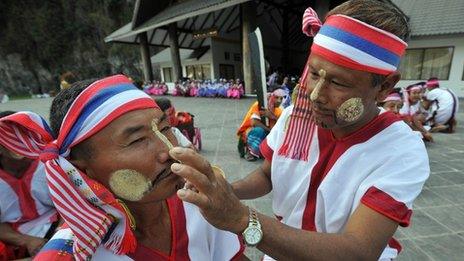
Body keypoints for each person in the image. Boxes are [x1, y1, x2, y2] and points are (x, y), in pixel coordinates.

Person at [168, 1, 429, 260]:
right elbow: (268, 175)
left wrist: (242, 219)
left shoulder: (402, 151)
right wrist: (224, 190)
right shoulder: (296, 117)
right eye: (313, 74)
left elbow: (357, 251)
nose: (315, 95)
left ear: (384, 87)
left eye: (338, 82)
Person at [34, 75, 244, 260]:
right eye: (137, 140)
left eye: (165, 128)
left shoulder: (197, 204)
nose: (169, 150)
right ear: (81, 169)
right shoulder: (70, 254)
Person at [0, 111, 59, 260]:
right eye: (14, 139)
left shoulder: (49, 163)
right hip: (16, 238)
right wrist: (27, 241)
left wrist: (60, 238)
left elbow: (71, 205)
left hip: (58, 225)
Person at [236, 89, 285, 161]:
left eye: (281, 98)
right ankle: (250, 151)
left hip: (268, 132)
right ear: (271, 97)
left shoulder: (279, 110)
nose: (279, 101)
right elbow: (254, 122)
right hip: (250, 130)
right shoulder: (259, 105)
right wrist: (269, 130)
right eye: (276, 97)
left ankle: (262, 151)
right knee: (259, 130)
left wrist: (272, 117)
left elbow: (283, 125)